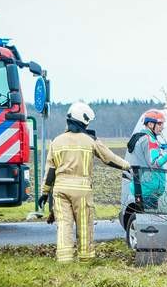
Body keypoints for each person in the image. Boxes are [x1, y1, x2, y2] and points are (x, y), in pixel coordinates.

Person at [38, 102, 131, 263]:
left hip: (60, 190)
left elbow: (50, 172)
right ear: (83, 120)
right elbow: (109, 158)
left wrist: (44, 193)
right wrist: (128, 166)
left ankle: (65, 260)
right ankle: (86, 259)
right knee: (84, 225)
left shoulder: (56, 141)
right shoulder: (90, 140)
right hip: (81, 191)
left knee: (64, 226)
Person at [125, 109, 167, 210]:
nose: (162, 127)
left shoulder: (138, 138)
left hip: (140, 187)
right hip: (149, 190)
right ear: (150, 124)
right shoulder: (150, 140)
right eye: (159, 124)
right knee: (151, 222)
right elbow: (154, 164)